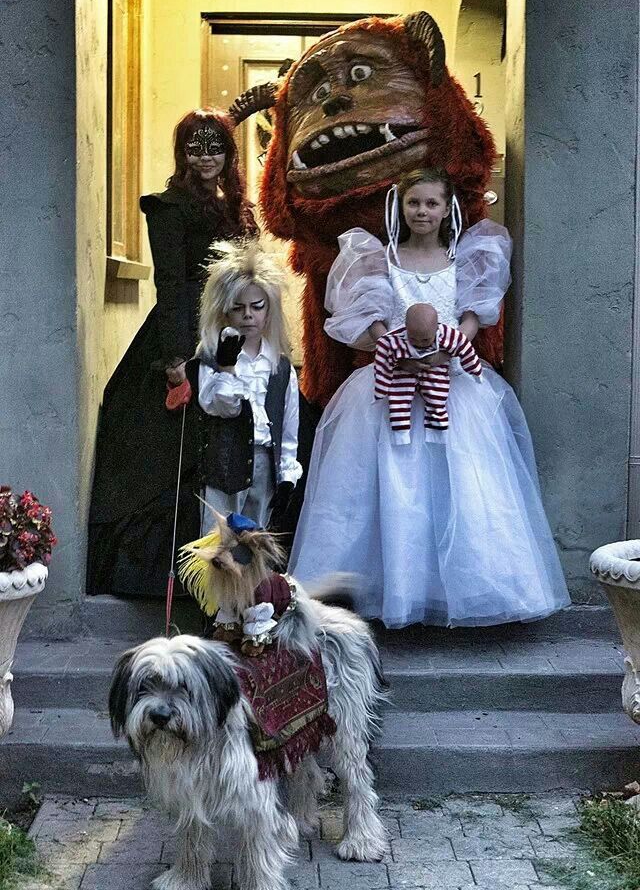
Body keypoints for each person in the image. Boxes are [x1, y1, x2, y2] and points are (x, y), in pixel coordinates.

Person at [290, 167, 571, 628]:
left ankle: (453, 592)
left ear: (447, 209)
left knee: (459, 486)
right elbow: (374, 316)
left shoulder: (465, 258)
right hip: (389, 387)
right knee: (390, 486)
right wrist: (396, 348)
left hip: (453, 386)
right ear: (400, 207)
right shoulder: (381, 259)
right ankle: (389, 592)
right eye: (413, 203)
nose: (422, 211)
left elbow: (472, 316)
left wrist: (445, 350)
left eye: (431, 203)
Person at [87, 108, 255, 597]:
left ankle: (239, 563)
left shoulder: (237, 207)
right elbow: (171, 284)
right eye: (195, 147)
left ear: (229, 153)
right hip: (184, 334)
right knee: (172, 452)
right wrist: (176, 358)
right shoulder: (168, 207)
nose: (206, 157)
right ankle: (173, 574)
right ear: (182, 153)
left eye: (215, 147)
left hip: (233, 332)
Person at [196, 237, 302, 533]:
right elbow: (219, 407)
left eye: (257, 307)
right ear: (224, 311)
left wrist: (287, 475)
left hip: (265, 464)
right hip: (223, 461)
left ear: (269, 309)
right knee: (218, 543)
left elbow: (288, 426)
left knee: (256, 542)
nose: (248, 315)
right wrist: (227, 369)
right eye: (238, 308)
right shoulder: (211, 358)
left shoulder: (280, 367)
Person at [374, 302, 483, 441]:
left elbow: (464, 342)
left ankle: (437, 433)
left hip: (447, 374)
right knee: (397, 401)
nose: (419, 343)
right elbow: (381, 341)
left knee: (438, 398)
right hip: (399, 372)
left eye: (425, 340)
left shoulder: (447, 335)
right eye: (414, 339)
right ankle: (400, 433)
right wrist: (397, 359)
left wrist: (473, 370)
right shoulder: (396, 337)